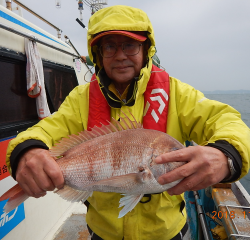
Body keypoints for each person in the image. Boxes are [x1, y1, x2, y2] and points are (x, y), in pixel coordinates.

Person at [6, 5, 250, 240]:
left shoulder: (177, 94)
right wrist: (28, 151)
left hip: (167, 233)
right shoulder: (80, 100)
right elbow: (45, 130)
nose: (120, 55)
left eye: (130, 45)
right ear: (99, 54)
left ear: (145, 50)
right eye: (110, 47)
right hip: (103, 233)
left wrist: (226, 154)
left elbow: (225, 119)